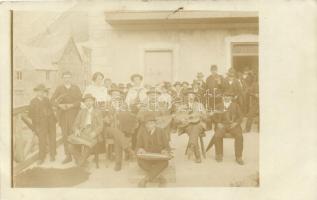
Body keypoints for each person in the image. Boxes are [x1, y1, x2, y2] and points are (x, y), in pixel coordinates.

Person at [51, 71, 82, 164]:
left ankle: (77, 155)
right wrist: (59, 106)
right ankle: (68, 156)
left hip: (74, 114)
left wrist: (72, 105)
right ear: (63, 78)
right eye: (65, 77)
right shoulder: (59, 88)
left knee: (74, 134)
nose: (67, 79)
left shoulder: (75, 88)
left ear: (71, 78)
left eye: (68, 77)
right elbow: (52, 100)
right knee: (65, 135)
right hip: (63, 114)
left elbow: (80, 100)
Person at [104, 86, 138, 171]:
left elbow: (129, 117)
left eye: (117, 94)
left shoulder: (124, 105)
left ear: (120, 96)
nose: (115, 96)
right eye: (114, 94)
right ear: (111, 95)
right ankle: (128, 150)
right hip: (108, 129)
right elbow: (103, 119)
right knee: (117, 133)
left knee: (118, 136)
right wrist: (112, 117)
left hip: (120, 130)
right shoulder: (106, 105)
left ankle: (118, 163)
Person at [67, 94, 104, 167]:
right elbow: (75, 123)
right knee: (69, 146)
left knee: (87, 146)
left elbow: (101, 125)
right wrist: (76, 130)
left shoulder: (97, 111)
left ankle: (80, 163)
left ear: (93, 102)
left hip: (92, 132)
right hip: (82, 131)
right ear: (84, 103)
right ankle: (81, 159)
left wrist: (95, 133)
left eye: (90, 101)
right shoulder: (82, 111)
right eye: (86, 101)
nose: (88, 102)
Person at [136, 112, 171, 187]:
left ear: (155, 123)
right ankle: (159, 178)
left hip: (159, 158)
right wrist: (140, 149)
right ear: (145, 125)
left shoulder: (161, 131)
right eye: (148, 123)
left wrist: (165, 151)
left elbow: (167, 147)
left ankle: (146, 179)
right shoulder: (142, 132)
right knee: (140, 162)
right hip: (147, 158)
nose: (150, 125)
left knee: (165, 163)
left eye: (152, 123)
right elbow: (137, 146)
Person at [212, 92, 244, 165]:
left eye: (229, 96)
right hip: (222, 125)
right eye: (225, 96)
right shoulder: (218, 106)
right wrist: (218, 123)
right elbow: (213, 116)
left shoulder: (236, 106)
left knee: (239, 136)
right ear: (223, 97)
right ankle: (219, 154)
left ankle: (238, 156)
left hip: (233, 125)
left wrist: (236, 123)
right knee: (217, 135)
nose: (227, 97)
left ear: (231, 97)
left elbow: (241, 117)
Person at [28, 84, 57, 165]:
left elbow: (51, 109)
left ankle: (52, 154)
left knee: (52, 138)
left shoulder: (46, 100)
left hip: (50, 122)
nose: (41, 93)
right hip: (40, 124)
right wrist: (36, 124)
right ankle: (41, 157)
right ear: (36, 92)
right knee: (42, 140)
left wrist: (52, 117)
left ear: (44, 92)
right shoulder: (33, 101)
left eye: (42, 91)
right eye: (39, 91)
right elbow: (30, 114)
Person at [177, 88, 207, 163]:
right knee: (194, 131)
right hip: (187, 126)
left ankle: (194, 149)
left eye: (192, 95)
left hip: (199, 124)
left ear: (194, 97)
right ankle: (194, 148)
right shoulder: (182, 106)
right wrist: (181, 119)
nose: (191, 97)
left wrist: (201, 114)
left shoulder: (199, 105)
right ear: (186, 97)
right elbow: (177, 118)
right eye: (189, 95)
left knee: (195, 128)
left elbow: (206, 117)